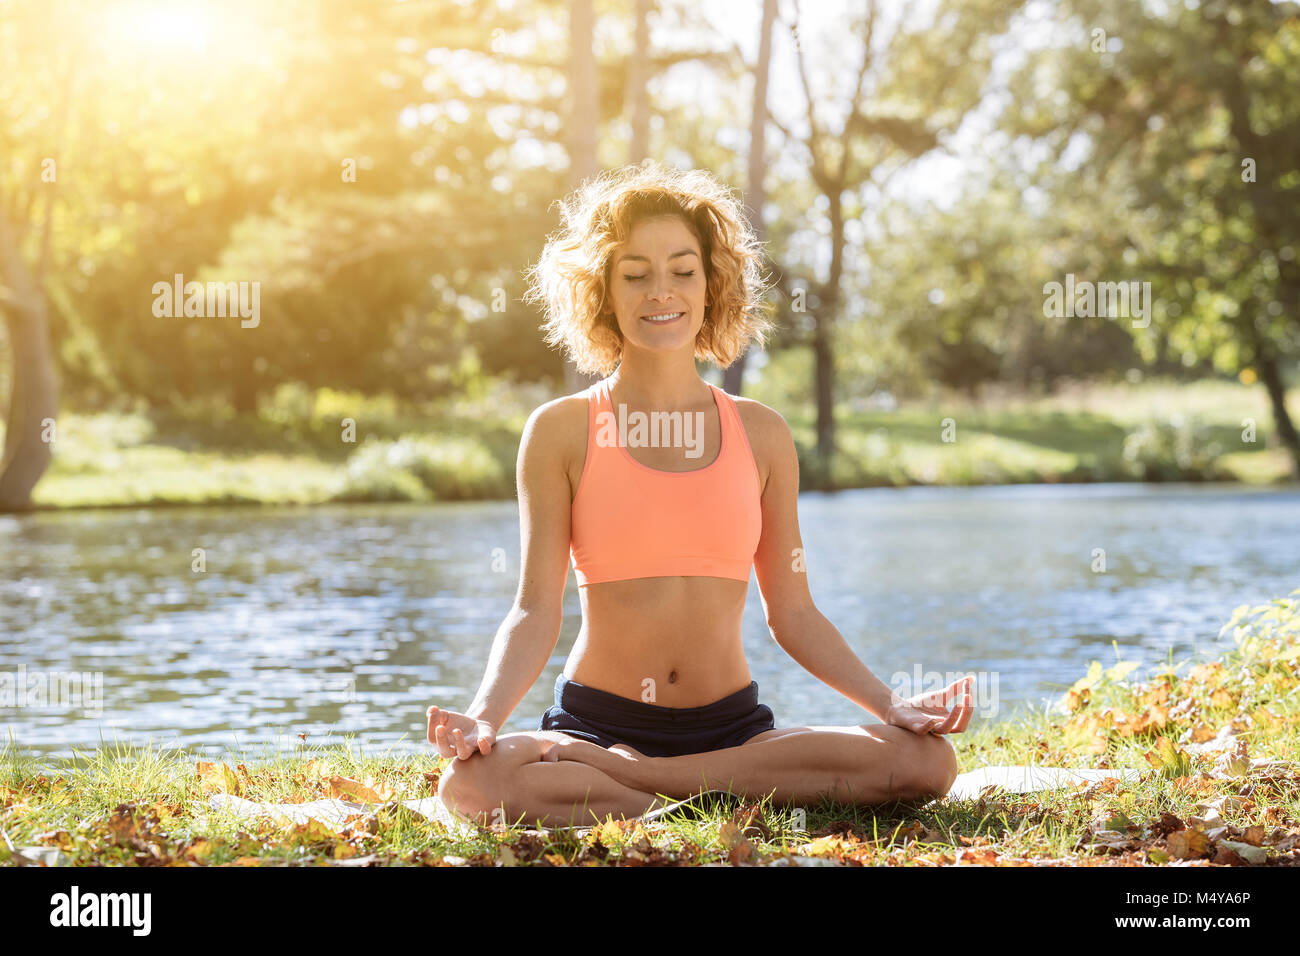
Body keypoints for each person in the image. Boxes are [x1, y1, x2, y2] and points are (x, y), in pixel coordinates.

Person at [428, 160, 972, 828]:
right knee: (471, 786)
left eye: (683, 270)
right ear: (602, 289)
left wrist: (890, 704)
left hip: (734, 731)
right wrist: (483, 719)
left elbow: (793, 613)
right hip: (599, 728)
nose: (662, 291)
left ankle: (648, 788)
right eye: (635, 273)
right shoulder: (561, 432)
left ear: (712, 286)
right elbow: (533, 611)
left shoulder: (762, 434)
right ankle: (713, 798)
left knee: (926, 762)